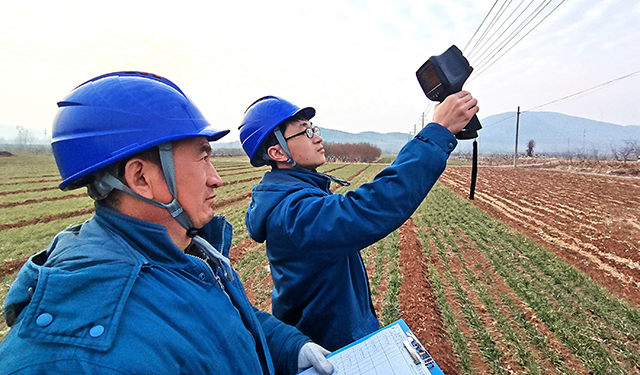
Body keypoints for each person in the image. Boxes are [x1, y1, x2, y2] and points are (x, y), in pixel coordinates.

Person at [0, 72, 333, 375]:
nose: (215, 179)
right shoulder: (78, 351)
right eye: (203, 155)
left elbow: (218, 322)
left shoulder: (182, 253)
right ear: (141, 178)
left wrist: (290, 347)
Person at [238, 92, 478, 351]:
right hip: (332, 350)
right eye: (305, 132)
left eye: (314, 129)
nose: (318, 137)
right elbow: (371, 207)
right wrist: (438, 132)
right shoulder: (294, 214)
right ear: (277, 152)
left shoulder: (294, 198)